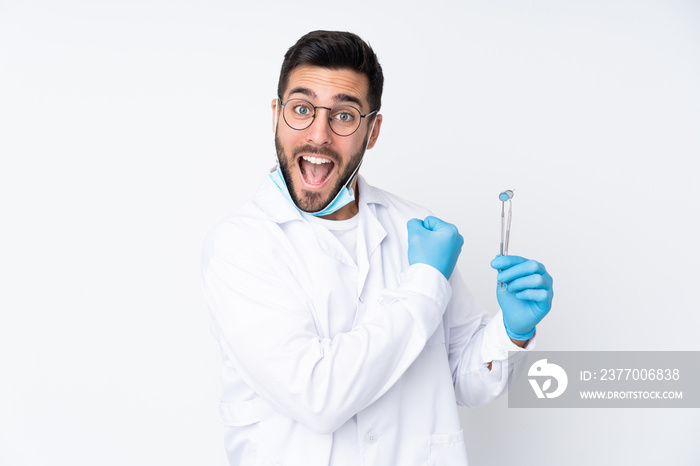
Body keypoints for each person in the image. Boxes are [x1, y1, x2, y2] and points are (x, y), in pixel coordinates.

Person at [201, 30, 554, 466]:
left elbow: (463, 379)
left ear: (372, 130)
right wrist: (424, 282)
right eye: (301, 109)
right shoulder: (240, 246)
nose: (318, 134)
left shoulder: (415, 229)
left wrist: (512, 332)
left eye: (344, 116)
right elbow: (319, 397)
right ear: (276, 114)